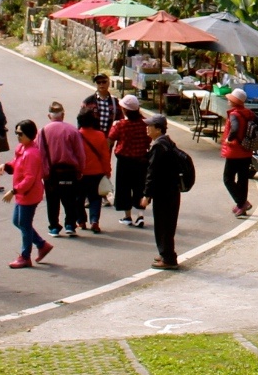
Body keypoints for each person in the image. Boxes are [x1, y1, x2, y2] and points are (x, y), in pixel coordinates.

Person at [141, 113, 190, 270]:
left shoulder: (158, 147)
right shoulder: (167, 142)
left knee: (163, 225)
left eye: (150, 126)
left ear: (158, 128)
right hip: (172, 190)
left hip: (164, 192)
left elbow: (152, 172)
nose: (147, 128)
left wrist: (147, 195)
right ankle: (166, 253)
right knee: (168, 224)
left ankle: (168, 258)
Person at [2, 121, 53, 268]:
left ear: (29, 135)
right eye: (17, 133)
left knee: (24, 224)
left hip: (29, 194)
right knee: (19, 222)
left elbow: (29, 178)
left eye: (20, 134)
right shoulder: (22, 148)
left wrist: (13, 191)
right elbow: (15, 163)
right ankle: (42, 245)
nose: (18, 137)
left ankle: (26, 256)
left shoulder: (31, 153)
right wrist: (5, 166)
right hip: (23, 193)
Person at [36, 102, 86, 236]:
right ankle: (70, 224)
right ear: (63, 115)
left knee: (52, 201)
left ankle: (54, 226)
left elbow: (40, 154)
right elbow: (80, 153)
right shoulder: (72, 130)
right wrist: (80, 170)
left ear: (49, 115)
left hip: (51, 173)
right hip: (70, 171)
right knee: (70, 199)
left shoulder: (43, 131)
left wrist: (43, 173)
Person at [109, 93, 150, 227]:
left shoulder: (120, 125)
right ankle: (140, 216)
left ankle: (127, 216)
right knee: (140, 188)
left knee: (124, 188)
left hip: (124, 161)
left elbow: (110, 140)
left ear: (124, 110)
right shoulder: (145, 123)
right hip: (141, 160)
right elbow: (148, 139)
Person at [219, 88, 256, 218]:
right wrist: (249, 136)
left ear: (234, 101)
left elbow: (234, 129)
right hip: (246, 151)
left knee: (228, 179)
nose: (228, 101)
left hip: (234, 151)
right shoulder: (249, 113)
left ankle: (242, 202)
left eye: (230, 99)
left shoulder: (235, 114)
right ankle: (241, 207)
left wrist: (229, 139)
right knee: (242, 179)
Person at [77, 105, 113, 234]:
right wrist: (107, 171)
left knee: (79, 198)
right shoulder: (100, 135)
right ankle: (94, 221)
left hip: (80, 173)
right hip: (97, 172)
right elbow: (105, 156)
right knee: (95, 198)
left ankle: (81, 220)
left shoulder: (76, 135)